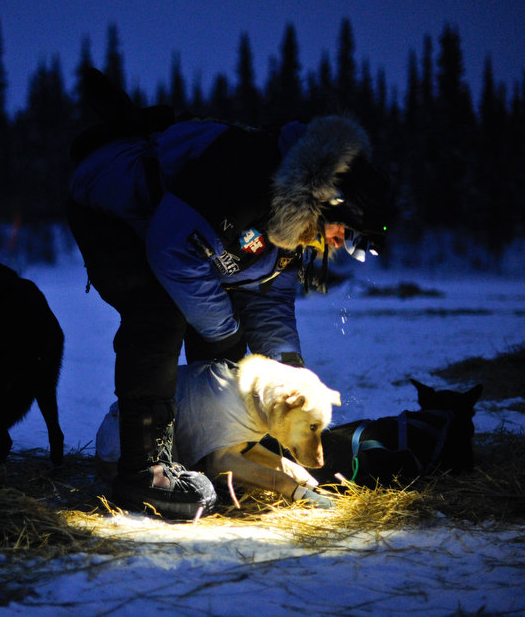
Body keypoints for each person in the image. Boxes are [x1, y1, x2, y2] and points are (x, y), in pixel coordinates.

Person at [67, 68, 394, 520]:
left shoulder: (293, 222)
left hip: (174, 233)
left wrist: (287, 365)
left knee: (221, 362)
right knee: (161, 312)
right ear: (330, 201)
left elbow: (269, 295)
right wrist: (224, 333)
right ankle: (144, 467)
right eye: (346, 233)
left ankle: (215, 456)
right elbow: (171, 249)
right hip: (113, 204)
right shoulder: (246, 176)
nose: (339, 244)